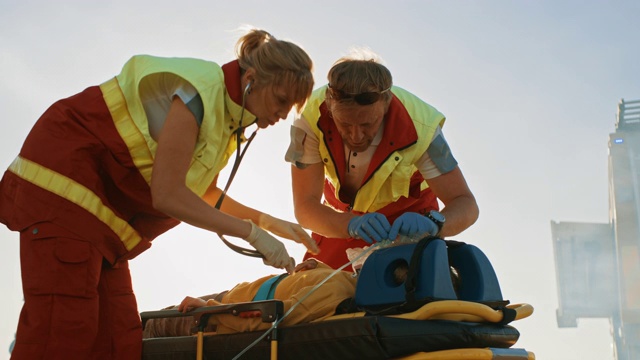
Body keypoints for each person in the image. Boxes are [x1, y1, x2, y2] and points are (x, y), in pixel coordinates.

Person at [0, 28, 318, 360]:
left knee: (118, 341)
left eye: (290, 107)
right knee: (62, 331)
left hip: (102, 225)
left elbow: (203, 194)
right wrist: (253, 234)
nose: (282, 115)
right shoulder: (200, 92)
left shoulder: (223, 119)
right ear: (251, 79)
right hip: (65, 193)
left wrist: (269, 222)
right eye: (281, 100)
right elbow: (167, 195)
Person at [286, 50, 479, 271]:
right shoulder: (308, 119)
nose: (356, 136)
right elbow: (305, 207)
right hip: (341, 220)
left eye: (368, 124)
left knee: (410, 294)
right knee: (317, 291)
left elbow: (465, 203)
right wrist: (349, 224)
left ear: (386, 104)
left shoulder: (422, 127)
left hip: (410, 221)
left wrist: (434, 225)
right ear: (330, 106)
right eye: (345, 125)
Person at [143, 258, 357, 337]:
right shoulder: (346, 280)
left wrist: (210, 312)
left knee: (150, 327)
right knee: (148, 324)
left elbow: (271, 317)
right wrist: (316, 266)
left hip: (218, 317)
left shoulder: (337, 290)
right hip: (228, 300)